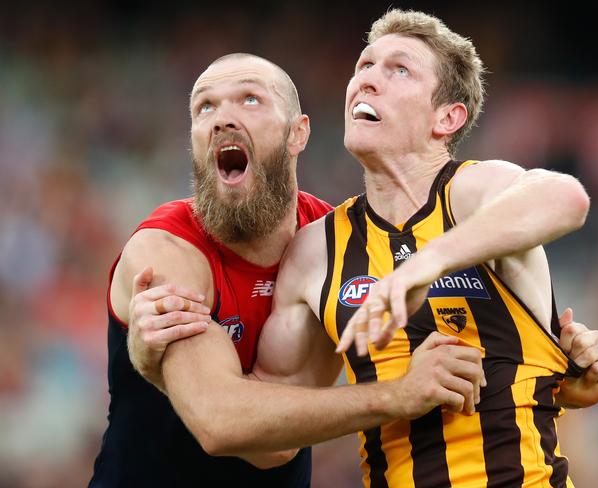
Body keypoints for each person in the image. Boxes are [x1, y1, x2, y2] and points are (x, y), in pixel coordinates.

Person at [129, 9, 598, 488]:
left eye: (398, 69)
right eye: (363, 66)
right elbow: (265, 443)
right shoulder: (318, 249)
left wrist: (422, 267)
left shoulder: (475, 192)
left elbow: (567, 198)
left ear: (447, 117)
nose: (366, 80)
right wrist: (161, 369)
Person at [90, 52, 486, 488]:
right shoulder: (166, 250)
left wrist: (563, 358)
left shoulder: (331, 248)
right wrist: (398, 395)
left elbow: (456, 337)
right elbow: (220, 421)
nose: (223, 118)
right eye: (205, 106)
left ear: (298, 133)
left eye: (250, 100)